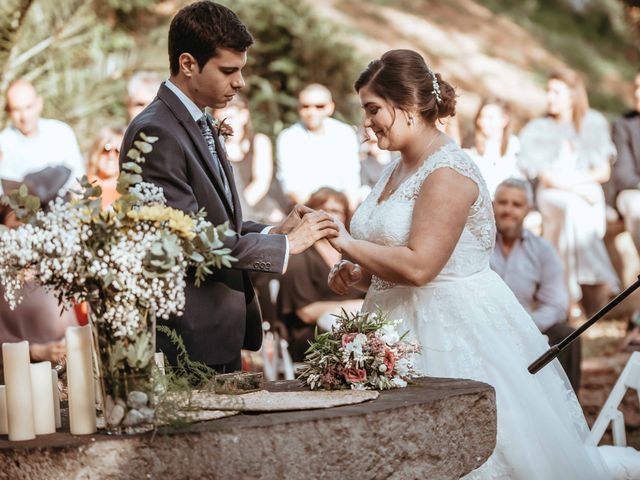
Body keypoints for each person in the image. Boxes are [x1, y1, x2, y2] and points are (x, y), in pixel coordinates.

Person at [327, 49, 613, 478]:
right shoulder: (394, 170)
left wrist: (345, 242)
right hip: (390, 326)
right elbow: (388, 251)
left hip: (448, 329)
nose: (367, 122)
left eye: (373, 109)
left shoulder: (448, 171)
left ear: (407, 106)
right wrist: (358, 271)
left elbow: (421, 266)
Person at [119, 2, 337, 373]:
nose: (240, 82)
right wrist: (287, 245)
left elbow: (214, 222)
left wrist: (274, 229)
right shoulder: (156, 131)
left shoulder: (200, 119)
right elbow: (190, 240)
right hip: (185, 336)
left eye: (241, 70)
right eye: (228, 70)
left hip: (216, 329)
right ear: (188, 64)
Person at [518, 70, 619, 316]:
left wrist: (578, 187)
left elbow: (603, 171)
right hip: (553, 194)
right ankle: (606, 280)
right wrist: (578, 190)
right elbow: (546, 178)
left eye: (556, 92)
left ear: (573, 96)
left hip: (585, 190)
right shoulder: (537, 128)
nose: (550, 97)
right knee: (572, 206)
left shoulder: (593, 123)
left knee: (574, 214)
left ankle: (570, 296)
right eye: (548, 91)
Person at [490, 178, 581, 391]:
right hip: (484, 325)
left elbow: (557, 304)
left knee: (568, 336)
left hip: (529, 329)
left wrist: (525, 325)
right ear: (493, 204)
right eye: (503, 202)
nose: (508, 210)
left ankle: (568, 412)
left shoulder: (543, 250)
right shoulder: (478, 244)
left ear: (528, 210)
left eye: (516, 204)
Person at [277, 188, 364, 361]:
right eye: (324, 211)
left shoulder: (353, 253)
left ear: (346, 216)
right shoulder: (299, 254)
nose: (330, 217)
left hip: (356, 328)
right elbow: (306, 312)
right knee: (356, 342)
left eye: (337, 211)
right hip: (311, 335)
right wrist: (357, 307)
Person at [276, 83, 361, 206]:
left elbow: (351, 183)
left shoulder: (345, 134)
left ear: (330, 107)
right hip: (305, 210)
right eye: (305, 106)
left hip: (340, 210)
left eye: (319, 106)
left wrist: (348, 218)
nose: (312, 112)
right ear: (299, 108)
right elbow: (291, 188)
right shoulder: (288, 138)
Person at [0, 79, 85, 194]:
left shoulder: (61, 132)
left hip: (64, 207)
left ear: (39, 103)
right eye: (16, 110)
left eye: (28, 107)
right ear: (9, 111)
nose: (24, 116)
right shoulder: (4, 144)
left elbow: (78, 179)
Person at [214, 95, 284, 223]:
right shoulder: (215, 147)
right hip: (228, 209)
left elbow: (261, 183)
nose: (226, 124)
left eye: (230, 118)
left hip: (257, 205)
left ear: (244, 116)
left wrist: (239, 209)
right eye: (220, 120)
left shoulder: (259, 141)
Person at [463, 98, 524, 198]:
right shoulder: (470, 145)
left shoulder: (514, 145)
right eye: (481, 117)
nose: (483, 122)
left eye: (490, 118)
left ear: (504, 120)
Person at [611, 72, 640, 257]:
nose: (637, 93)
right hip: (633, 192)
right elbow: (623, 176)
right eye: (636, 87)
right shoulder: (624, 124)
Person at [86, 126, 125, 208]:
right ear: (96, 151)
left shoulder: (132, 190)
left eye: (118, 150)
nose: (111, 156)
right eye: (106, 149)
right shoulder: (83, 187)